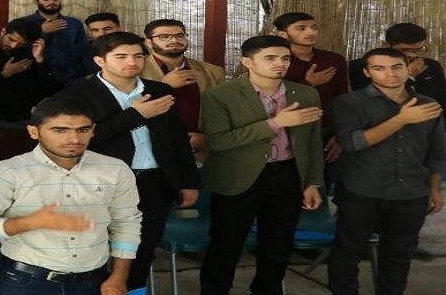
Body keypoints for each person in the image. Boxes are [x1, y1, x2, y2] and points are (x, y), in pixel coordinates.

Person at [57, 32, 201, 291]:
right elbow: (78, 139)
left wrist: (188, 181)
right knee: (95, 248)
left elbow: (177, 139)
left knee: (143, 250)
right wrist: (136, 114)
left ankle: (134, 290)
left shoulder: (159, 90)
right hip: (101, 184)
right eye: (121, 56)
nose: (132, 62)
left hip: (155, 182)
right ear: (100, 61)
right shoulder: (78, 95)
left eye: (138, 56)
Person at [0, 95, 141, 295]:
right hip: (23, 281)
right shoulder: (7, 172)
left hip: (94, 281)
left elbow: (126, 223)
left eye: (83, 130)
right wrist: (29, 223)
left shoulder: (115, 169)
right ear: (34, 132)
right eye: (60, 130)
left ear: (93, 130)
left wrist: (119, 277)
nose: (74, 139)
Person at [199, 35, 325, 295]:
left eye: (285, 58)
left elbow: (313, 143)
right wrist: (276, 123)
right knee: (225, 246)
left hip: (287, 175)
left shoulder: (305, 93)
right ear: (247, 62)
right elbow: (219, 141)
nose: (280, 63)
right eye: (270, 58)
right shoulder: (220, 95)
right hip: (237, 177)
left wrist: (313, 182)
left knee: (278, 246)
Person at [328, 47, 446, 295]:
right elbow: (352, 143)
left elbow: (437, 152)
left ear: (407, 69)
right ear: (367, 72)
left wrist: (435, 188)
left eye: (397, 67)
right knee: (348, 251)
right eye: (379, 68)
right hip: (362, 190)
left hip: (411, 191)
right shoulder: (349, 103)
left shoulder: (428, 104)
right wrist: (402, 119)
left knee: (400, 253)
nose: (390, 74)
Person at [0, 18, 60, 156]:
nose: (13, 46)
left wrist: (40, 60)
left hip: (23, 120)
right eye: (11, 39)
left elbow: (48, 89)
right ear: (3, 32)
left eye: (21, 44)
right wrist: (4, 75)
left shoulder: (30, 55)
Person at [138, 19, 226, 158]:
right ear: (149, 42)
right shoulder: (136, 69)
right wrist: (165, 86)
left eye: (179, 36)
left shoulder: (212, 71)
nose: (174, 40)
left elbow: (223, 111)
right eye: (164, 36)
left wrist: (208, 139)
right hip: (150, 150)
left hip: (198, 150)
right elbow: (128, 107)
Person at [349, 22, 446, 101]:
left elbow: (441, 100)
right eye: (404, 50)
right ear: (386, 45)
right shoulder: (360, 66)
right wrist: (409, 76)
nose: (412, 55)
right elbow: (368, 100)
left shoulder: (431, 65)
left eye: (417, 50)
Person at [27, 0, 96, 85]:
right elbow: (19, 47)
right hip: (35, 74)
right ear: (36, 2)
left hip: (69, 76)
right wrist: (42, 32)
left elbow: (83, 49)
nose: (51, 2)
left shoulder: (74, 23)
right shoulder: (25, 23)